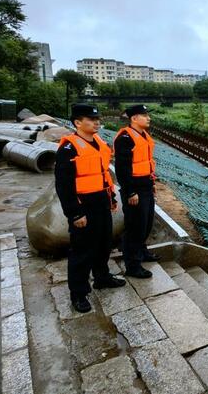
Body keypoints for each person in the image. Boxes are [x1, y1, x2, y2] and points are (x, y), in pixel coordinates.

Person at [55, 104, 125, 313]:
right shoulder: (69, 148)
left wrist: (111, 198)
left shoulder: (99, 144)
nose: (96, 122)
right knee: (82, 250)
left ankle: (102, 277)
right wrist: (74, 213)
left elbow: (104, 175)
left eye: (97, 119)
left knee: (104, 244)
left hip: (101, 202)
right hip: (83, 205)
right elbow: (64, 186)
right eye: (90, 119)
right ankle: (78, 293)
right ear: (77, 123)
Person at [114, 104, 159, 278]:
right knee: (135, 226)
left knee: (146, 222)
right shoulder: (125, 138)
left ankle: (143, 252)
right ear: (134, 118)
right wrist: (130, 191)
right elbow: (122, 168)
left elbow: (146, 162)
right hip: (134, 187)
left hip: (146, 184)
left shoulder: (144, 135)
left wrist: (152, 182)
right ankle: (133, 266)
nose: (149, 118)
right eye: (145, 115)